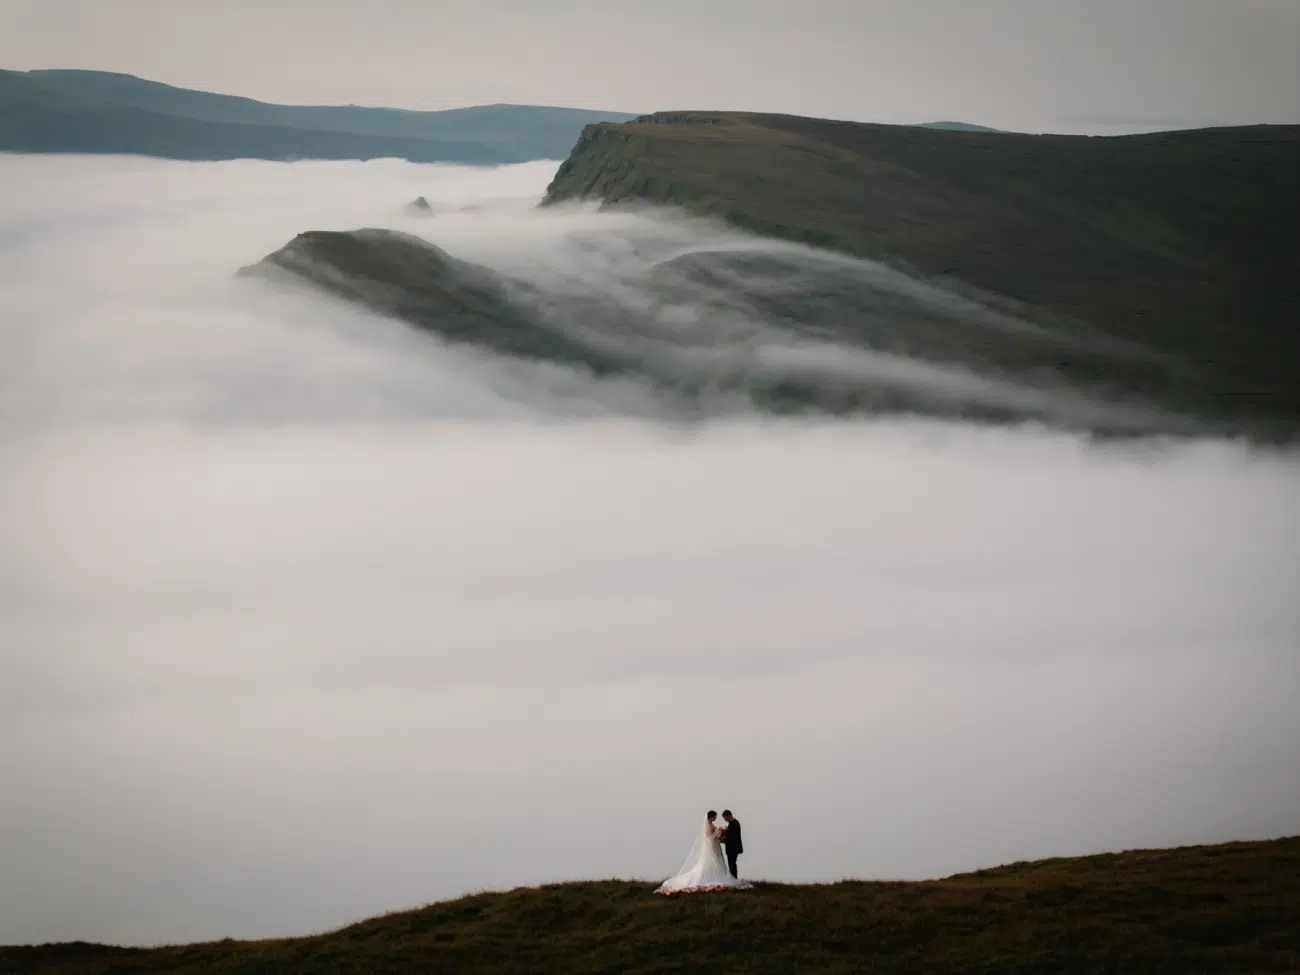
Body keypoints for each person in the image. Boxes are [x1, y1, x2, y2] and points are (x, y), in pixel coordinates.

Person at [654, 810, 751, 894]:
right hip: (712, 846)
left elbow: (719, 835)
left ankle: (732, 877)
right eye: (715, 816)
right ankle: (727, 878)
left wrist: (720, 833)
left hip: (718, 846)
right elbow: (709, 837)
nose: (716, 818)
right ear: (712, 816)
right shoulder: (707, 825)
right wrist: (718, 831)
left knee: (727, 863)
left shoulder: (714, 824)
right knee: (714, 863)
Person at [720, 809, 743, 879]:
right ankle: (733, 878)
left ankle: (734, 879)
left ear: (728, 816)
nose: (725, 820)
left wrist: (722, 839)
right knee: (731, 864)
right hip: (731, 848)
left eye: (725, 818)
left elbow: (732, 837)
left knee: (732, 864)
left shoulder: (735, 824)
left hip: (733, 848)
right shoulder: (731, 823)